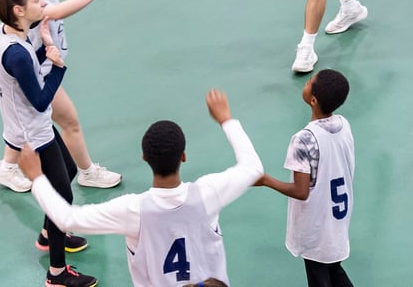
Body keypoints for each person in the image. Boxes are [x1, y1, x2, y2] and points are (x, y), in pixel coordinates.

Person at [18, 89, 264, 287]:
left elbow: (66, 218)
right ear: (184, 156)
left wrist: (38, 177)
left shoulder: (132, 210)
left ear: (144, 157)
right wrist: (226, 120)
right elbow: (253, 168)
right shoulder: (209, 192)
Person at [0, 0, 126, 193]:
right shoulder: (24, 1)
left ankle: (6, 168)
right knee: (70, 121)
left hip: (43, 59)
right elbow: (57, 11)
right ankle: (87, 172)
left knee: (20, 127)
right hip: (39, 68)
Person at [0, 0, 98, 287]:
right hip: (33, 133)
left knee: (71, 169)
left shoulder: (8, 35)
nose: (43, 5)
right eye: (37, 1)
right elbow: (38, 101)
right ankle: (57, 273)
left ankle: (50, 233)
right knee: (62, 195)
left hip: (30, 126)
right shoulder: (18, 53)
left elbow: (25, 76)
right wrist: (58, 67)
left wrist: (43, 46)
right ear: (19, 10)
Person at [256, 69, 355, 286]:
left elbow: (301, 191)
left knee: (320, 277)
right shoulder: (343, 125)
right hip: (337, 219)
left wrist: (265, 180)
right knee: (333, 269)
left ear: (312, 100)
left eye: (309, 82)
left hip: (317, 226)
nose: (306, 82)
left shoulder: (303, 140)